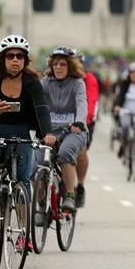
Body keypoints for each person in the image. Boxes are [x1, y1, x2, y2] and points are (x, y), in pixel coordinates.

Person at [0, 35, 53, 232]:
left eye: (20, 56)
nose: (15, 60)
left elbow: (42, 109)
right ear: (3, 59)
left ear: (25, 60)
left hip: (21, 134)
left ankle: (23, 231)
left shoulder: (32, 83)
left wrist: (47, 134)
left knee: (23, 180)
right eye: (10, 56)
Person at [40, 47, 89, 212]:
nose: (58, 67)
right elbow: (38, 105)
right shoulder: (46, 82)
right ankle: (40, 203)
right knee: (37, 162)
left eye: (62, 64)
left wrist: (79, 122)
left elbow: (82, 103)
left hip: (73, 130)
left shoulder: (78, 83)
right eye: (55, 64)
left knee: (66, 153)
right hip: (49, 130)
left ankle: (69, 195)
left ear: (70, 66)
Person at [75, 49, 99, 207]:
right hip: (58, 125)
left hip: (84, 121)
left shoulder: (88, 79)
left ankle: (80, 185)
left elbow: (91, 101)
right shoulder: (54, 78)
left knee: (81, 153)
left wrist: (84, 120)